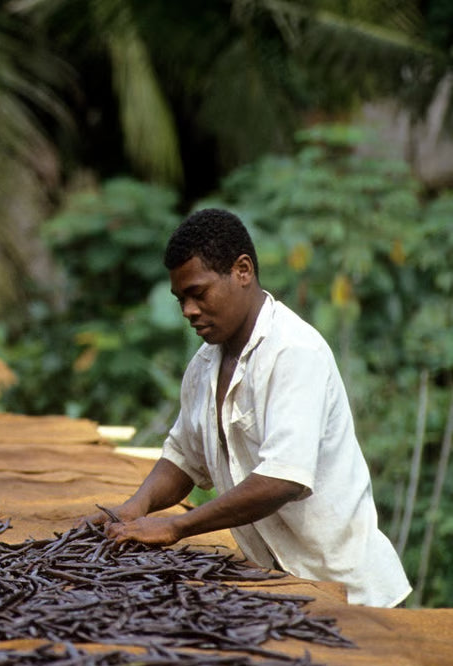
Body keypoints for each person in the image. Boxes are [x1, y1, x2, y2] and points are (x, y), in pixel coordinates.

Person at [81, 208, 410, 608]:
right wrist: (137, 506)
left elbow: (282, 480)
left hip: (349, 591)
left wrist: (176, 526)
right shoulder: (204, 366)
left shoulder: (293, 352)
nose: (188, 310)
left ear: (242, 271)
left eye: (198, 293)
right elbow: (184, 457)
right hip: (278, 588)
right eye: (181, 299)